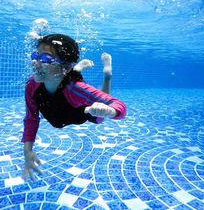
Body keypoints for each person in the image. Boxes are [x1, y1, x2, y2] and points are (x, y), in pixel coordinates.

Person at [21, 33, 126, 182]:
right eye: (35, 56)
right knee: (61, 79)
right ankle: (77, 70)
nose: (35, 63)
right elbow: (31, 118)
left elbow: (119, 106)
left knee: (99, 117)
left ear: (66, 65)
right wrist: (27, 151)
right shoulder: (31, 86)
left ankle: (107, 74)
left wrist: (110, 110)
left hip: (78, 112)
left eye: (45, 59)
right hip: (57, 104)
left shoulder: (76, 89)